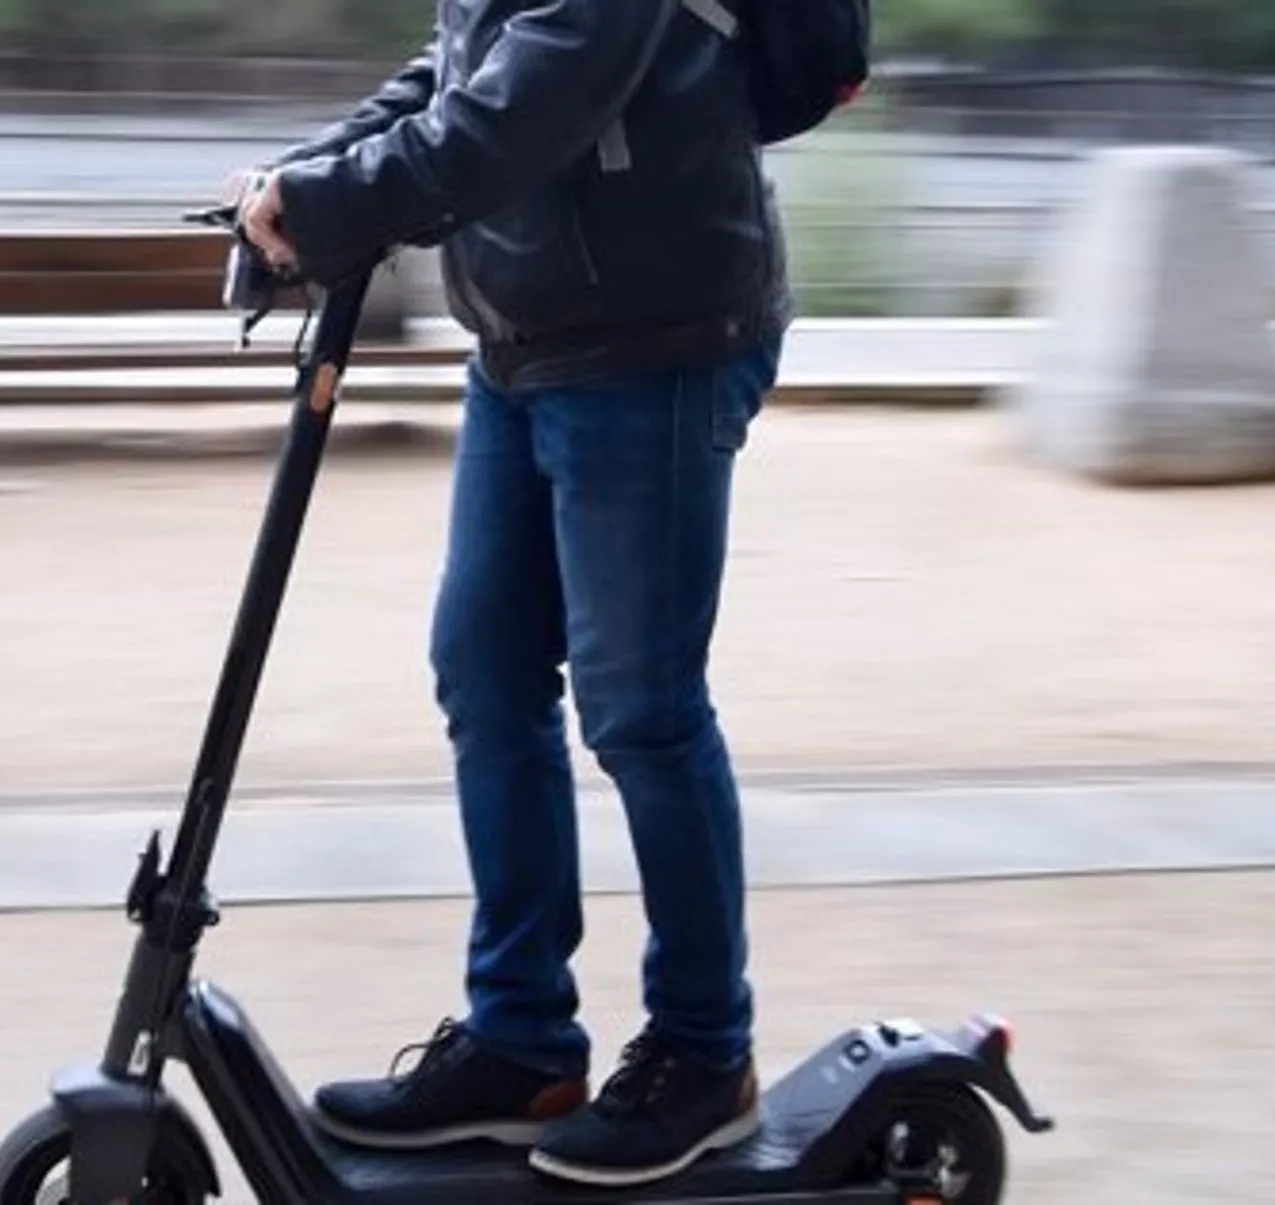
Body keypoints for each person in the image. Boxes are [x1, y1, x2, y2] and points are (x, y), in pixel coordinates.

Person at [226, 0, 790, 1188]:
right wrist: (309, 172)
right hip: (527, 337)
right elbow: (458, 65)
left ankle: (704, 1050)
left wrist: (333, 202)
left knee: (641, 707)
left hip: (658, 338)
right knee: (484, 670)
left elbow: (518, 113)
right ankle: (521, 1040)